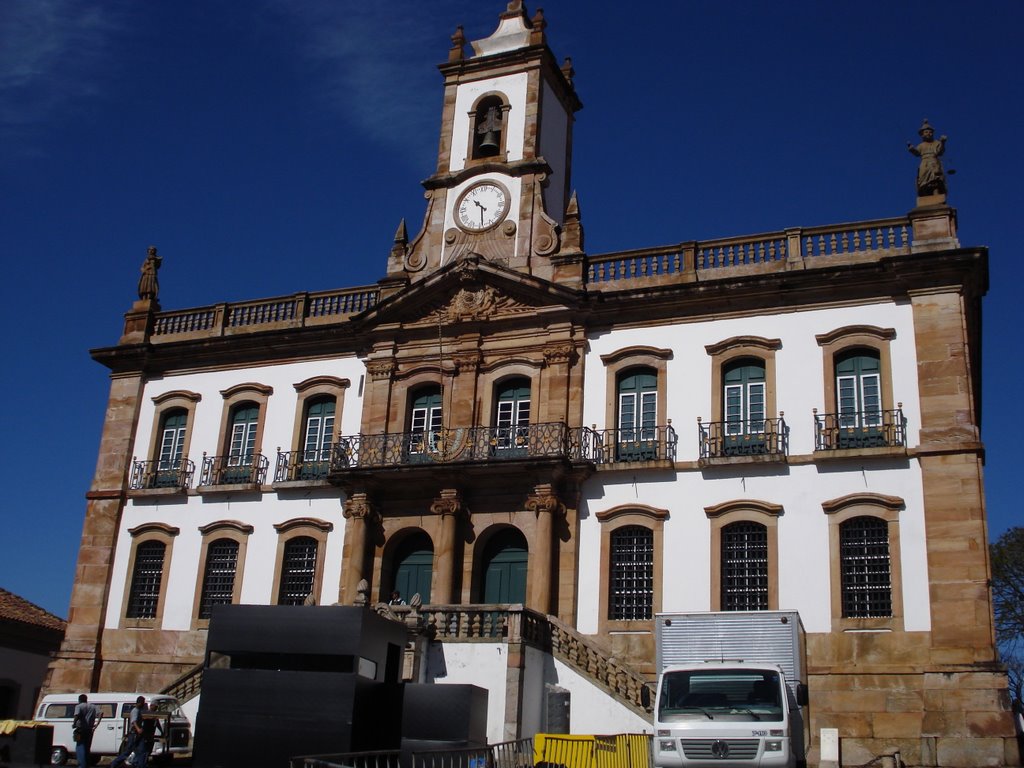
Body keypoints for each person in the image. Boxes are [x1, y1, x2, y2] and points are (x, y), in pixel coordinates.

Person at [907, 119, 948, 197]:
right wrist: (912, 149)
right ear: (922, 134)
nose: (928, 134)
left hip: (934, 162)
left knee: (936, 178)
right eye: (926, 132)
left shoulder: (937, 143)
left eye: (930, 132)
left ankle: (936, 193)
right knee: (923, 179)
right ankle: (925, 196)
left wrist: (943, 142)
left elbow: (940, 151)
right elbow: (917, 153)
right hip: (924, 163)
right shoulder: (921, 145)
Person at [110, 696, 146, 768]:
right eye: (143, 703)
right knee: (128, 751)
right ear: (140, 702)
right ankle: (114, 763)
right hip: (134, 734)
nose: (144, 704)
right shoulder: (135, 711)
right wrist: (138, 729)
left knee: (141, 751)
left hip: (138, 735)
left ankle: (141, 765)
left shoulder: (138, 710)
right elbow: (133, 721)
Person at [73, 693, 102, 768]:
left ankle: (81, 765)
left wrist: (74, 723)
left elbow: (76, 715)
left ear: (79, 700)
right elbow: (101, 713)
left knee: (80, 746)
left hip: (80, 729)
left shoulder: (78, 706)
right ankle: (86, 763)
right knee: (87, 747)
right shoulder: (93, 706)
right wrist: (97, 723)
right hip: (90, 729)